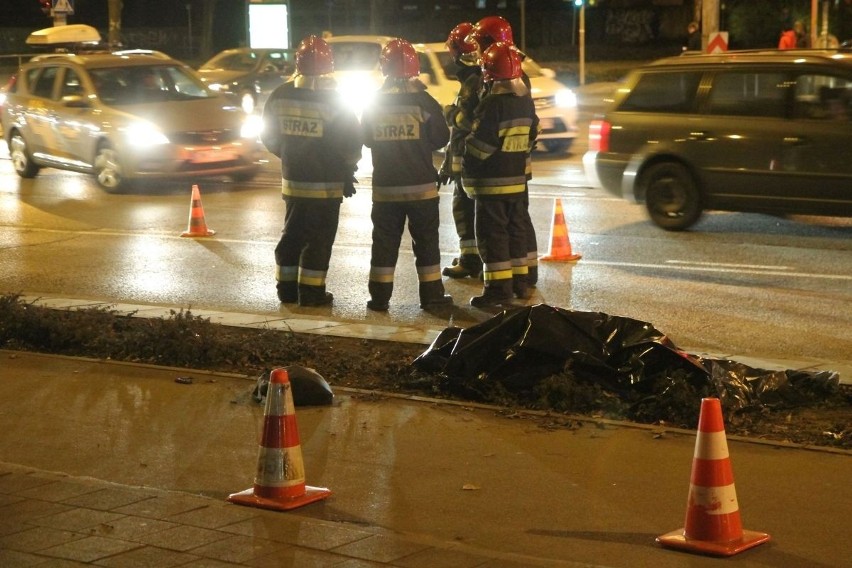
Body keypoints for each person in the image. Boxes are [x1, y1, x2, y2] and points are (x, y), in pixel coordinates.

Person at [260, 35, 362, 307]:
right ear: (330, 67)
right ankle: (312, 293)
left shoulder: (281, 95)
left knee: (292, 235)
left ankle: (287, 290)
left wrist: (290, 154)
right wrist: (348, 168)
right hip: (326, 185)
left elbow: (268, 136)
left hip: (293, 183)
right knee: (319, 240)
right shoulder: (336, 100)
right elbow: (352, 142)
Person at [360, 38, 452, 312]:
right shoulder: (424, 101)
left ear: (384, 68)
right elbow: (440, 138)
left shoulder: (373, 102)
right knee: (426, 245)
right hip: (421, 189)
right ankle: (432, 296)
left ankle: (379, 297)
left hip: (386, 190)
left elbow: (365, 138)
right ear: (415, 68)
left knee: (384, 245)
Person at [462, 42, 539, 308]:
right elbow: (532, 135)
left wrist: (465, 160)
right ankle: (520, 285)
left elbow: (479, 147)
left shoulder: (492, 105)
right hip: (516, 183)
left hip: (491, 185)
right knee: (516, 233)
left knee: (492, 238)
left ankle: (498, 291)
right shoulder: (524, 102)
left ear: (489, 73)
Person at [438, 21, 483, 280]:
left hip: (470, 162)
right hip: (467, 161)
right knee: (468, 210)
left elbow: (466, 124)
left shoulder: (473, 80)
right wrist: (447, 164)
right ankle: (472, 257)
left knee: (465, 211)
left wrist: (450, 113)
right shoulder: (476, 77)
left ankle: (470, 260)